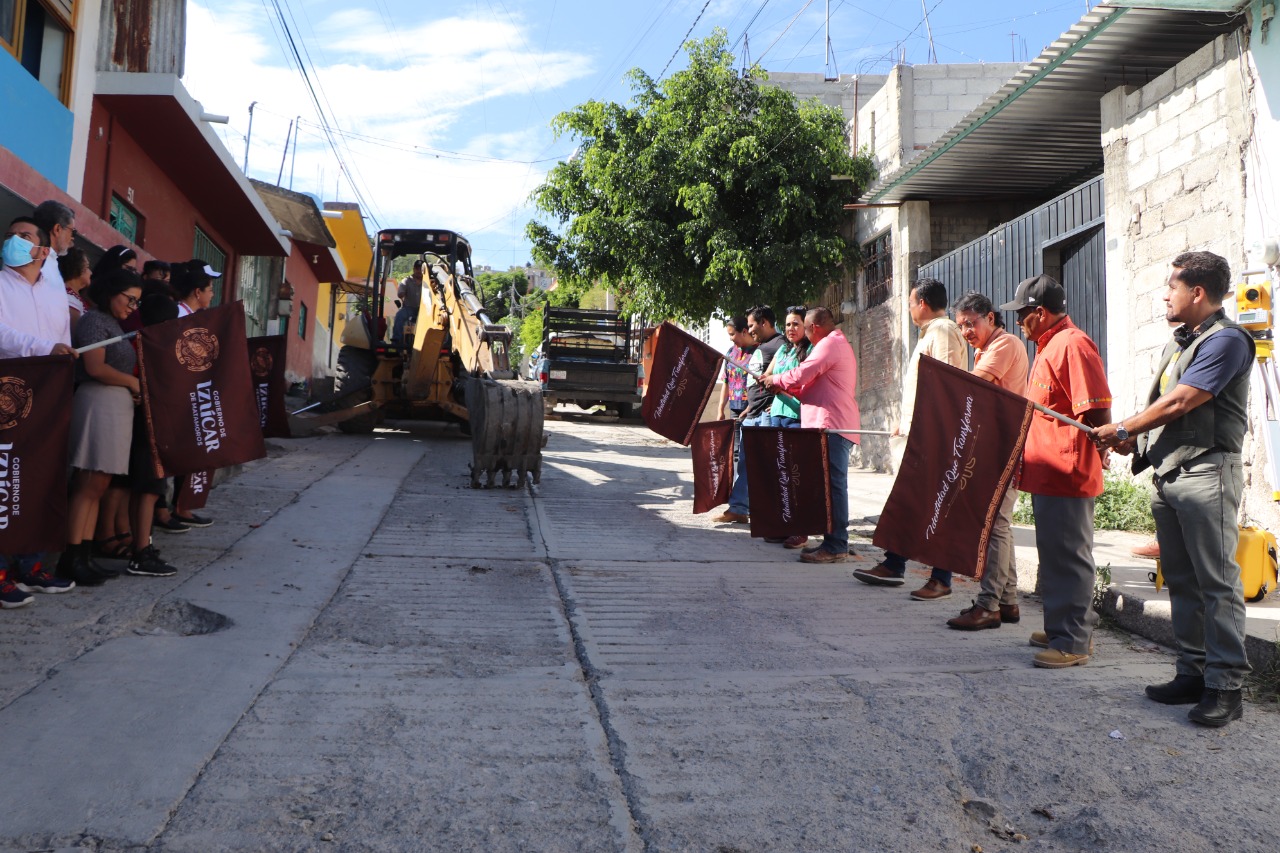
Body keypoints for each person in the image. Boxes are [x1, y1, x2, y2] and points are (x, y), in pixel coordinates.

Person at [1093, 251, 1253, 727]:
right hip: (1171, 474)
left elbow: (1184, 400)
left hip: (1206, 473)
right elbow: (1166, 407)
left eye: (1172, 287)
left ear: (1197, 292)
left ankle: (1226, 687)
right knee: (1181, 581)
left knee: (1216, 582)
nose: (1165, 295)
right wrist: (1136, 444)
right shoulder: (1185, 341)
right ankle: (1193, 673)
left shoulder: (1226, 341)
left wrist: (1123, 427)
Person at [1002, 274, 1111, 669]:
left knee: (1068, 556)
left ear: (1040, 312)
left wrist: (1101, 450)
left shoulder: (1072, 344)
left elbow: (1097, 411)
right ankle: (1063, 626)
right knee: (1054, 555)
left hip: (1067, 470)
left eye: (1023, 316)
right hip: (1048, 470)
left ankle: (1074, 641)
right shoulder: (1049, 346)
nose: (1019, 323)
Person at [853, 278, 967, 600]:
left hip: (933, 435)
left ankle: (940, 577)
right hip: (918, 432)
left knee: (933, 506)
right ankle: (894, 563)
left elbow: (945, 384)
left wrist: (927, 430)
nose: (909, 308)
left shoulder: (943, 331)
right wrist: (904, 423)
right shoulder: (931, 333)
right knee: (909, 503)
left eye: (911, 302)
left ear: (922, 304)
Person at [0, 218, 77, 605]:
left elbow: (61, 338)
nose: (14, 240)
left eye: (25, 236)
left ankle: (30, 566)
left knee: (38, 477)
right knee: (3, 476)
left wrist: (61, 366)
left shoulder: (53, 293)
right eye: (11, 234)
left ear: (44, 251)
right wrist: (43, 350)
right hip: (5, 395)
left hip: (46, 395)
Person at [945, 291, 1031, 630]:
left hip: (1003, 444)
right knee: (1000, 524)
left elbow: (976, 385)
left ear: (990, 318)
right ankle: (1007, 601)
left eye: (971, 323)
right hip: (993, 442)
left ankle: (989, 605)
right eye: (961, 326)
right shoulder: (986, 349)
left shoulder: (1004, 345)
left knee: (995, 525)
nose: (966, 331)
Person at [62, 268, 145, 586]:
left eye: (137, 303)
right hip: (99, 403)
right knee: (89, 484)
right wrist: (134, 383)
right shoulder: (95, 321)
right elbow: (95, 367)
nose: (132, 308)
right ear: (112, 291)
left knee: (98, 484)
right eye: (130, 300)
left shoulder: (112, 323)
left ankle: (84, 554)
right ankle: (72, 556)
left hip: (115, 405)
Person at [760, 307, 860, 564]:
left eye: (803, 327)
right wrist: (779, 386)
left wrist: (778, 379)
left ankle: (836, 544)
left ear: (813, 328)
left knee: (834, 487)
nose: (801, 332)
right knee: (824, 486)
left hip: (832, 426)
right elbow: (808, 386)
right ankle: (826, 538)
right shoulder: (833, 344)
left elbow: (803, 373)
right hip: (825, 424)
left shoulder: (829, 345)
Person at [714, 306, 784, 525]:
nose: (750, 330)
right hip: (751, 413)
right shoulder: (763, 346)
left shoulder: (780, 345)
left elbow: (788, 374)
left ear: (764, 322)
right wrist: (747, 408)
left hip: (766, 415)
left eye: (752, 325)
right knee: (744, 464)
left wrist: (777, 402)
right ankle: (738, 509)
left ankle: (770, 512)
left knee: (765, 466)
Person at [716, 316, 753, 420]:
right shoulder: (730, 353)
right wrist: (720, 409)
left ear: (744, 331)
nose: (730, 338)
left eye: (732, 334)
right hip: (734, 408)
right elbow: (726, 382)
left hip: (752, 409)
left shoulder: (757, 351)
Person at [60, 247, 93, 331]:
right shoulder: (69, 298)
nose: (90, 272)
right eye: (87, 267)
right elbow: (75, 333)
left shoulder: (76, 297)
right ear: (78, 269)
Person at [394, 259, 425, 346]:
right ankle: (397, 341)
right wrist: (402, 293)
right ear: (414, 269)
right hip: (409, 308)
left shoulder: (429, 282)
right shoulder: (406, 281)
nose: (419, 271)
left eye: (421, 269)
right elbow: (400, 293)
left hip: (424, 310)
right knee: (399, 315)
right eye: (417, 269)